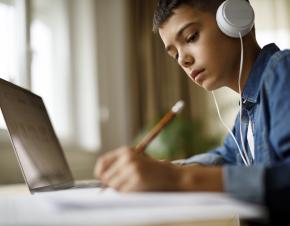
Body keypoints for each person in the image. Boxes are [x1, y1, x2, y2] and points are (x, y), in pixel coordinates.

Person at [94, 0, 290, 208]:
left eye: (191, 37)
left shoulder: (282, 72)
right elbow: (225, 156)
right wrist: (161, 170)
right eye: (175, 54)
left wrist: (177, 179)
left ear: (236, 18)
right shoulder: (249, 111)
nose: (182, 61)